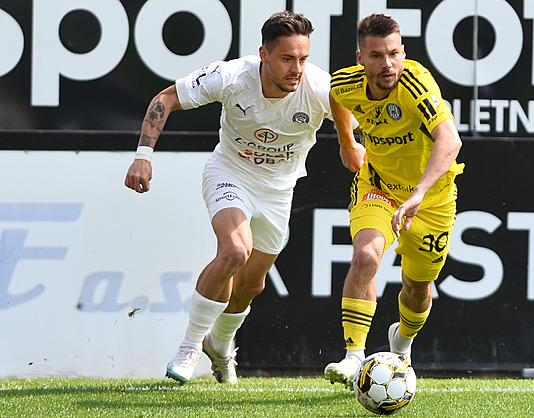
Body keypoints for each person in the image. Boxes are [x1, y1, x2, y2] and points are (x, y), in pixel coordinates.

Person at [124, 11, 360, 385]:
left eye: (303, 59)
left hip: (279, 190)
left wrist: (349, 145)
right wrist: (143, 156)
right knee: (235, 250)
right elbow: (166, 98)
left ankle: (220, 344)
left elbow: (350, 112)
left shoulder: (318, 88)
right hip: (230, 174)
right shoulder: (232, 76)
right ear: (264, 54)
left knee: (252, 284)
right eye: (286, 59)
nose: (296, 69)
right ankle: (189, 347)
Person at [324, 13, 465, 388]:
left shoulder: (416, 83)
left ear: (403, 52)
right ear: (360, 58)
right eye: (376, 56)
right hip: (380, 187)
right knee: (367, 254)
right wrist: (346, 142)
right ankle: (354, 356)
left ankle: (401, 342)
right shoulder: (345, 83)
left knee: (418, 291)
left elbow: (450, 141)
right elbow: (336, 99)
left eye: (394, 53)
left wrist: (419, 193)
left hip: (431, 199)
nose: (387, 64)